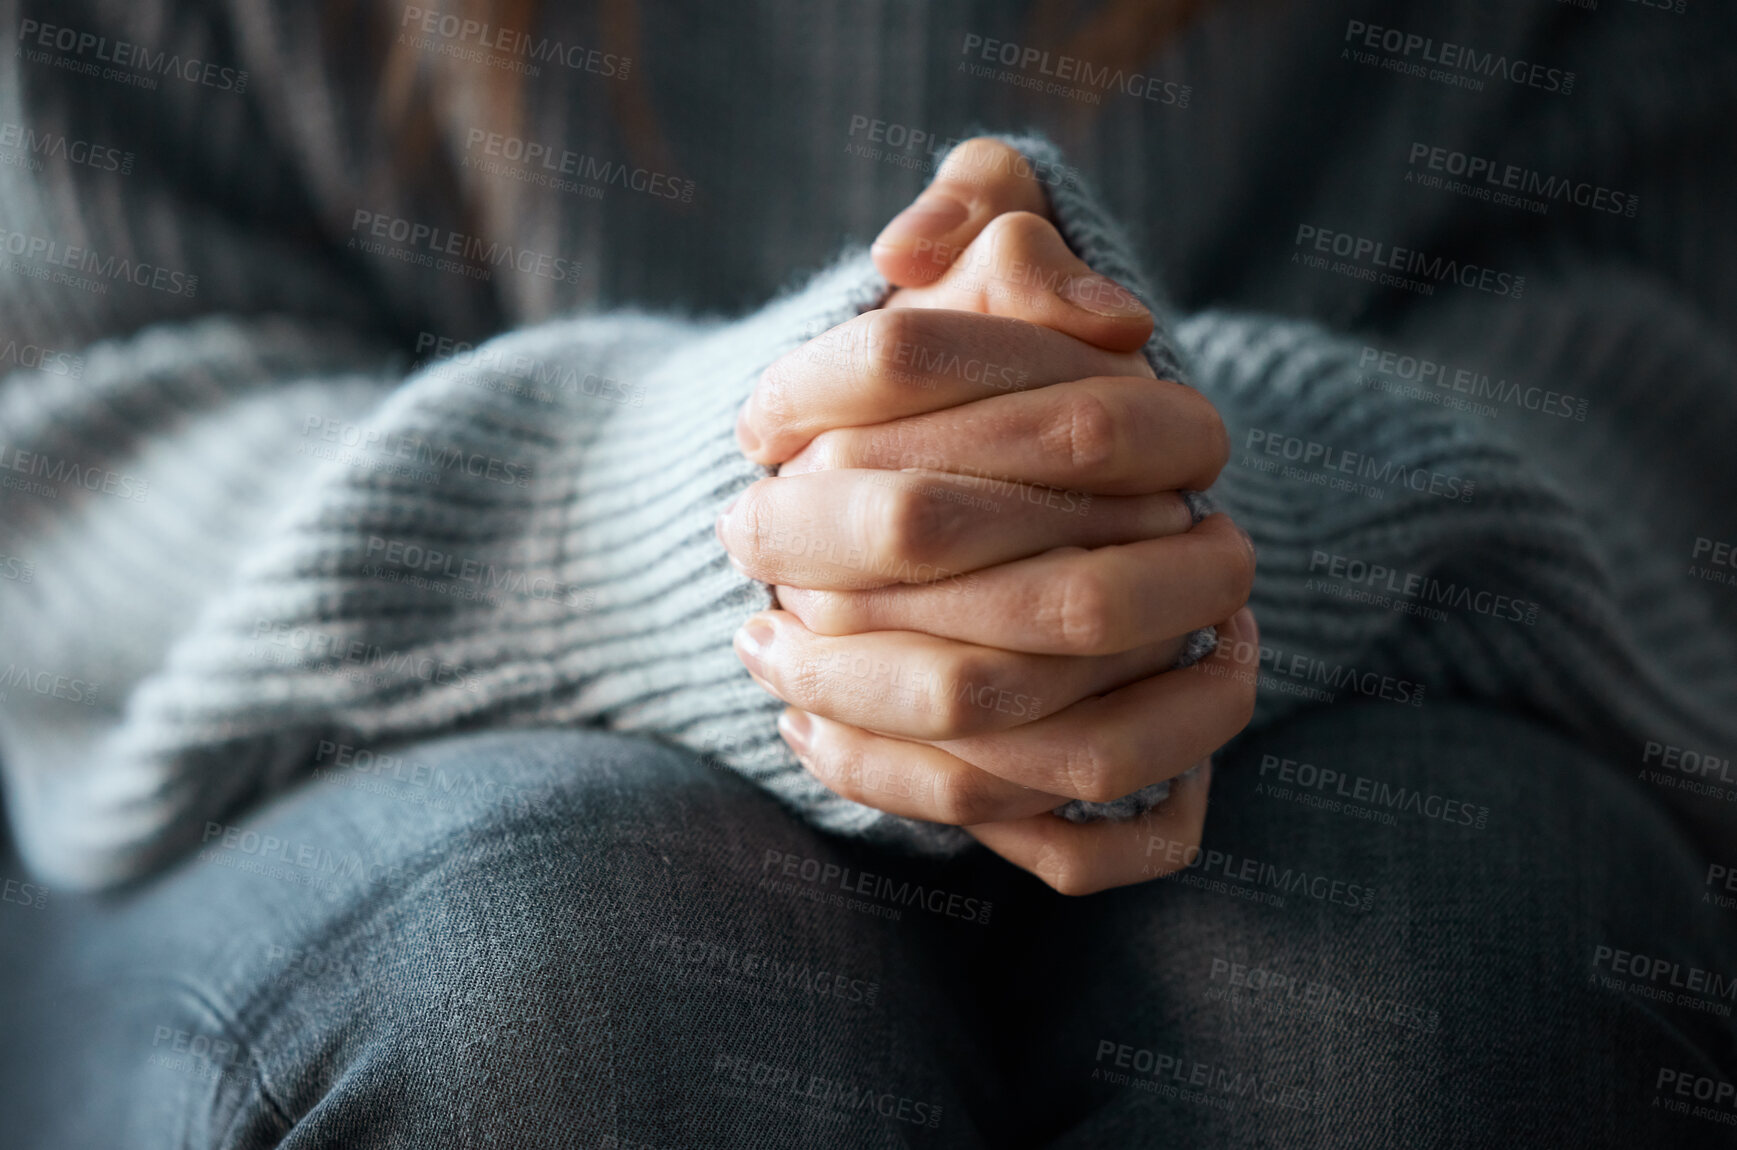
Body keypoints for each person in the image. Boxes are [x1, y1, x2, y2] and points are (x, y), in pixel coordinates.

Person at [1, 0, 1735, 1145]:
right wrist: (691, 526)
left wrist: (1193, 499)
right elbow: (70, 439)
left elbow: (1656, 370)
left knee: (1432, 968)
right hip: (295, 783)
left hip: (1357, 711)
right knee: (556, 967)